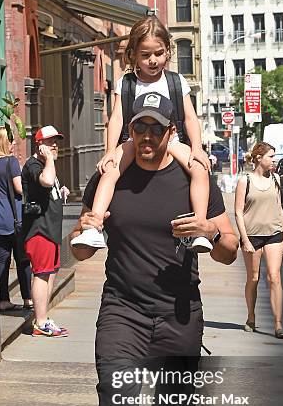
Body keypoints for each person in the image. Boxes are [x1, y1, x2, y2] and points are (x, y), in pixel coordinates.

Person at [71, 94, 238, 406]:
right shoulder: (111, 175)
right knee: (113, 405)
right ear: (131, 132)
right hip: (122, 307)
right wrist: (84, 230)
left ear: (170, 133)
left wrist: (207, 231)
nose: (146, 137)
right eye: (139, 128)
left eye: (155, 129)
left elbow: (229, 249)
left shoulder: (191, 176)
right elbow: (82, 250)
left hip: (179, 309)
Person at [71, 16, 212, 254]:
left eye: (158, 53)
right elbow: (115, 118)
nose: (153, 60)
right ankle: (93, 227)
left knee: (199, 169)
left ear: (168, 51)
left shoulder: (176, 82)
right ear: (134, 53)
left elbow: (190, 117)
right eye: (146, 55)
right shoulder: (126, 83)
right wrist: (109, 152)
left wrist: (197, 148)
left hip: (172, 139)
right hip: (132, 139)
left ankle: (198, 225)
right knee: (110, 171)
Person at [234, 141, 283, 339]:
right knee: (254, 278)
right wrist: (245, 240)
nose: (274, 160)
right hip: (252, 235)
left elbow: (279, 207)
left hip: (274, 233)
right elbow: (238, 212)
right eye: (271, 157)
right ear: (259, 158)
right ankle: (251, 315)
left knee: (274, 277)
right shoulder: (244, 181)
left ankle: (278, 324)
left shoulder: (276, 179)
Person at [21, 125, 70, 337]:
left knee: (50, 273)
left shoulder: (46, 164)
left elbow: (51, 187)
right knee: (41, 274)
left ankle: (44, 317)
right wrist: (48, 159)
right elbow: (46, 181)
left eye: (56, 141)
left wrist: (62, 191)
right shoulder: (34, 165)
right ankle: (40, 322)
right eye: (50, 142)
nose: (54, 146)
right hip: (39, 231)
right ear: (39, 144)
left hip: (51, 230)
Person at [0, 126, 32, 312]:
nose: (14, 143)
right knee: (23, 260)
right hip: (13, 220)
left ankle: (3, 300)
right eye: (11, 140)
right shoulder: (11, 163)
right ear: (4, 143)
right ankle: (27, 299)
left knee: (2, 261)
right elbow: (18, 188)